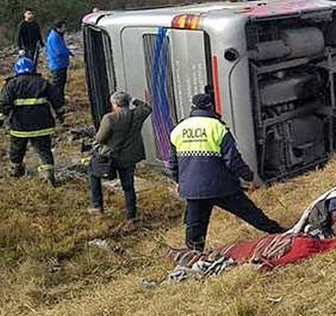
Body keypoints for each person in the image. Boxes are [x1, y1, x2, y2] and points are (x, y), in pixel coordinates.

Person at [169, 93, 286, 251]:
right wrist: (250, 177)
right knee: (250, 213)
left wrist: (179, 182)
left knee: (195, 226)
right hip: (221, 186)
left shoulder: (178, 129)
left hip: (193, 189)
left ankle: (194, 256)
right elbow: (233, 160)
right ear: (211, 107)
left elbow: (173, 164)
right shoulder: (218, 127)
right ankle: (278, 232)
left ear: (192, 108)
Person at [87, 91, 152, 223]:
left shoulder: (109, 118)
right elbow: (147, 107)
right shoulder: (137, 114)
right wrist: (133, 99)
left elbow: (99, 138)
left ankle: (97, 206)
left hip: (111, 157)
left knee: (93, 175)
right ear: (127, 103)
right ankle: (131, 215)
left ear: (115, 104)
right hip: (129, 158)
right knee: (128, 186)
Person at [0, 56, 64, 186]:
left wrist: (1, 120)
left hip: (20, 127)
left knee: (17, 149)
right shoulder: (43, 82)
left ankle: (16, 170)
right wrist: (60, 115)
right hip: (42, 126)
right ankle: (48, 175)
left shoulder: (12, 84)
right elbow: (57, 99)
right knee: (44, 150)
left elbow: (4, 104)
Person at [45, 21, 73, 102]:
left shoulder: (58, 36)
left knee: (61, 83)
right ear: (58, 28)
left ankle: (60, 98)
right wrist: (68, 52)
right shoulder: (54, 37)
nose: (65, 29)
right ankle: (56, 100)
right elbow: (59, 51)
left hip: (61, 64)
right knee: (58, 84)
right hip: (57, 64)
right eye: (63, 27)